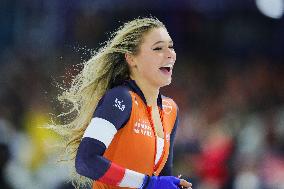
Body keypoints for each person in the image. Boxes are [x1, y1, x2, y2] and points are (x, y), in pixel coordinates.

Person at [54, 17, 192, 189]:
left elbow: (161, 179)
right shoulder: (120, 99)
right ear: (132, 59)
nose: (170, 54)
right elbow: (85, 161)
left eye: (171, 47)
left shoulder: (171, 110)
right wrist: (147, 183)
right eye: (158, 48)